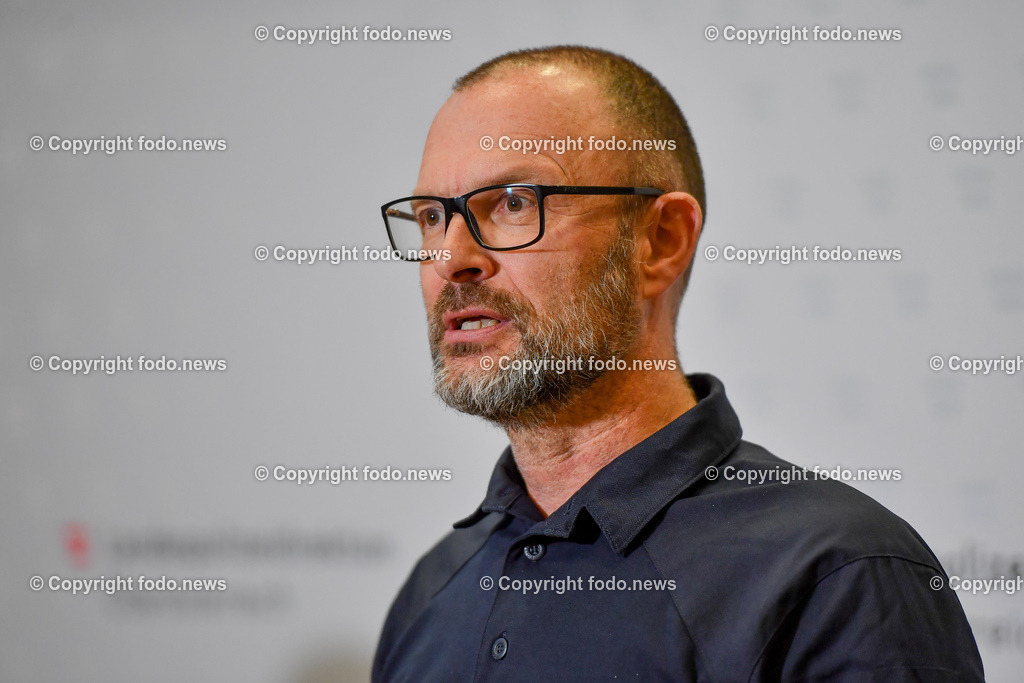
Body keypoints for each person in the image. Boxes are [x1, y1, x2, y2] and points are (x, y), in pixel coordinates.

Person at [372, 45, 984, 681]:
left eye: (514, 203)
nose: (451, 257)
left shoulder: (839, 577)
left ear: (660, 241)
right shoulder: (433, 590)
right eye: (431, 217)